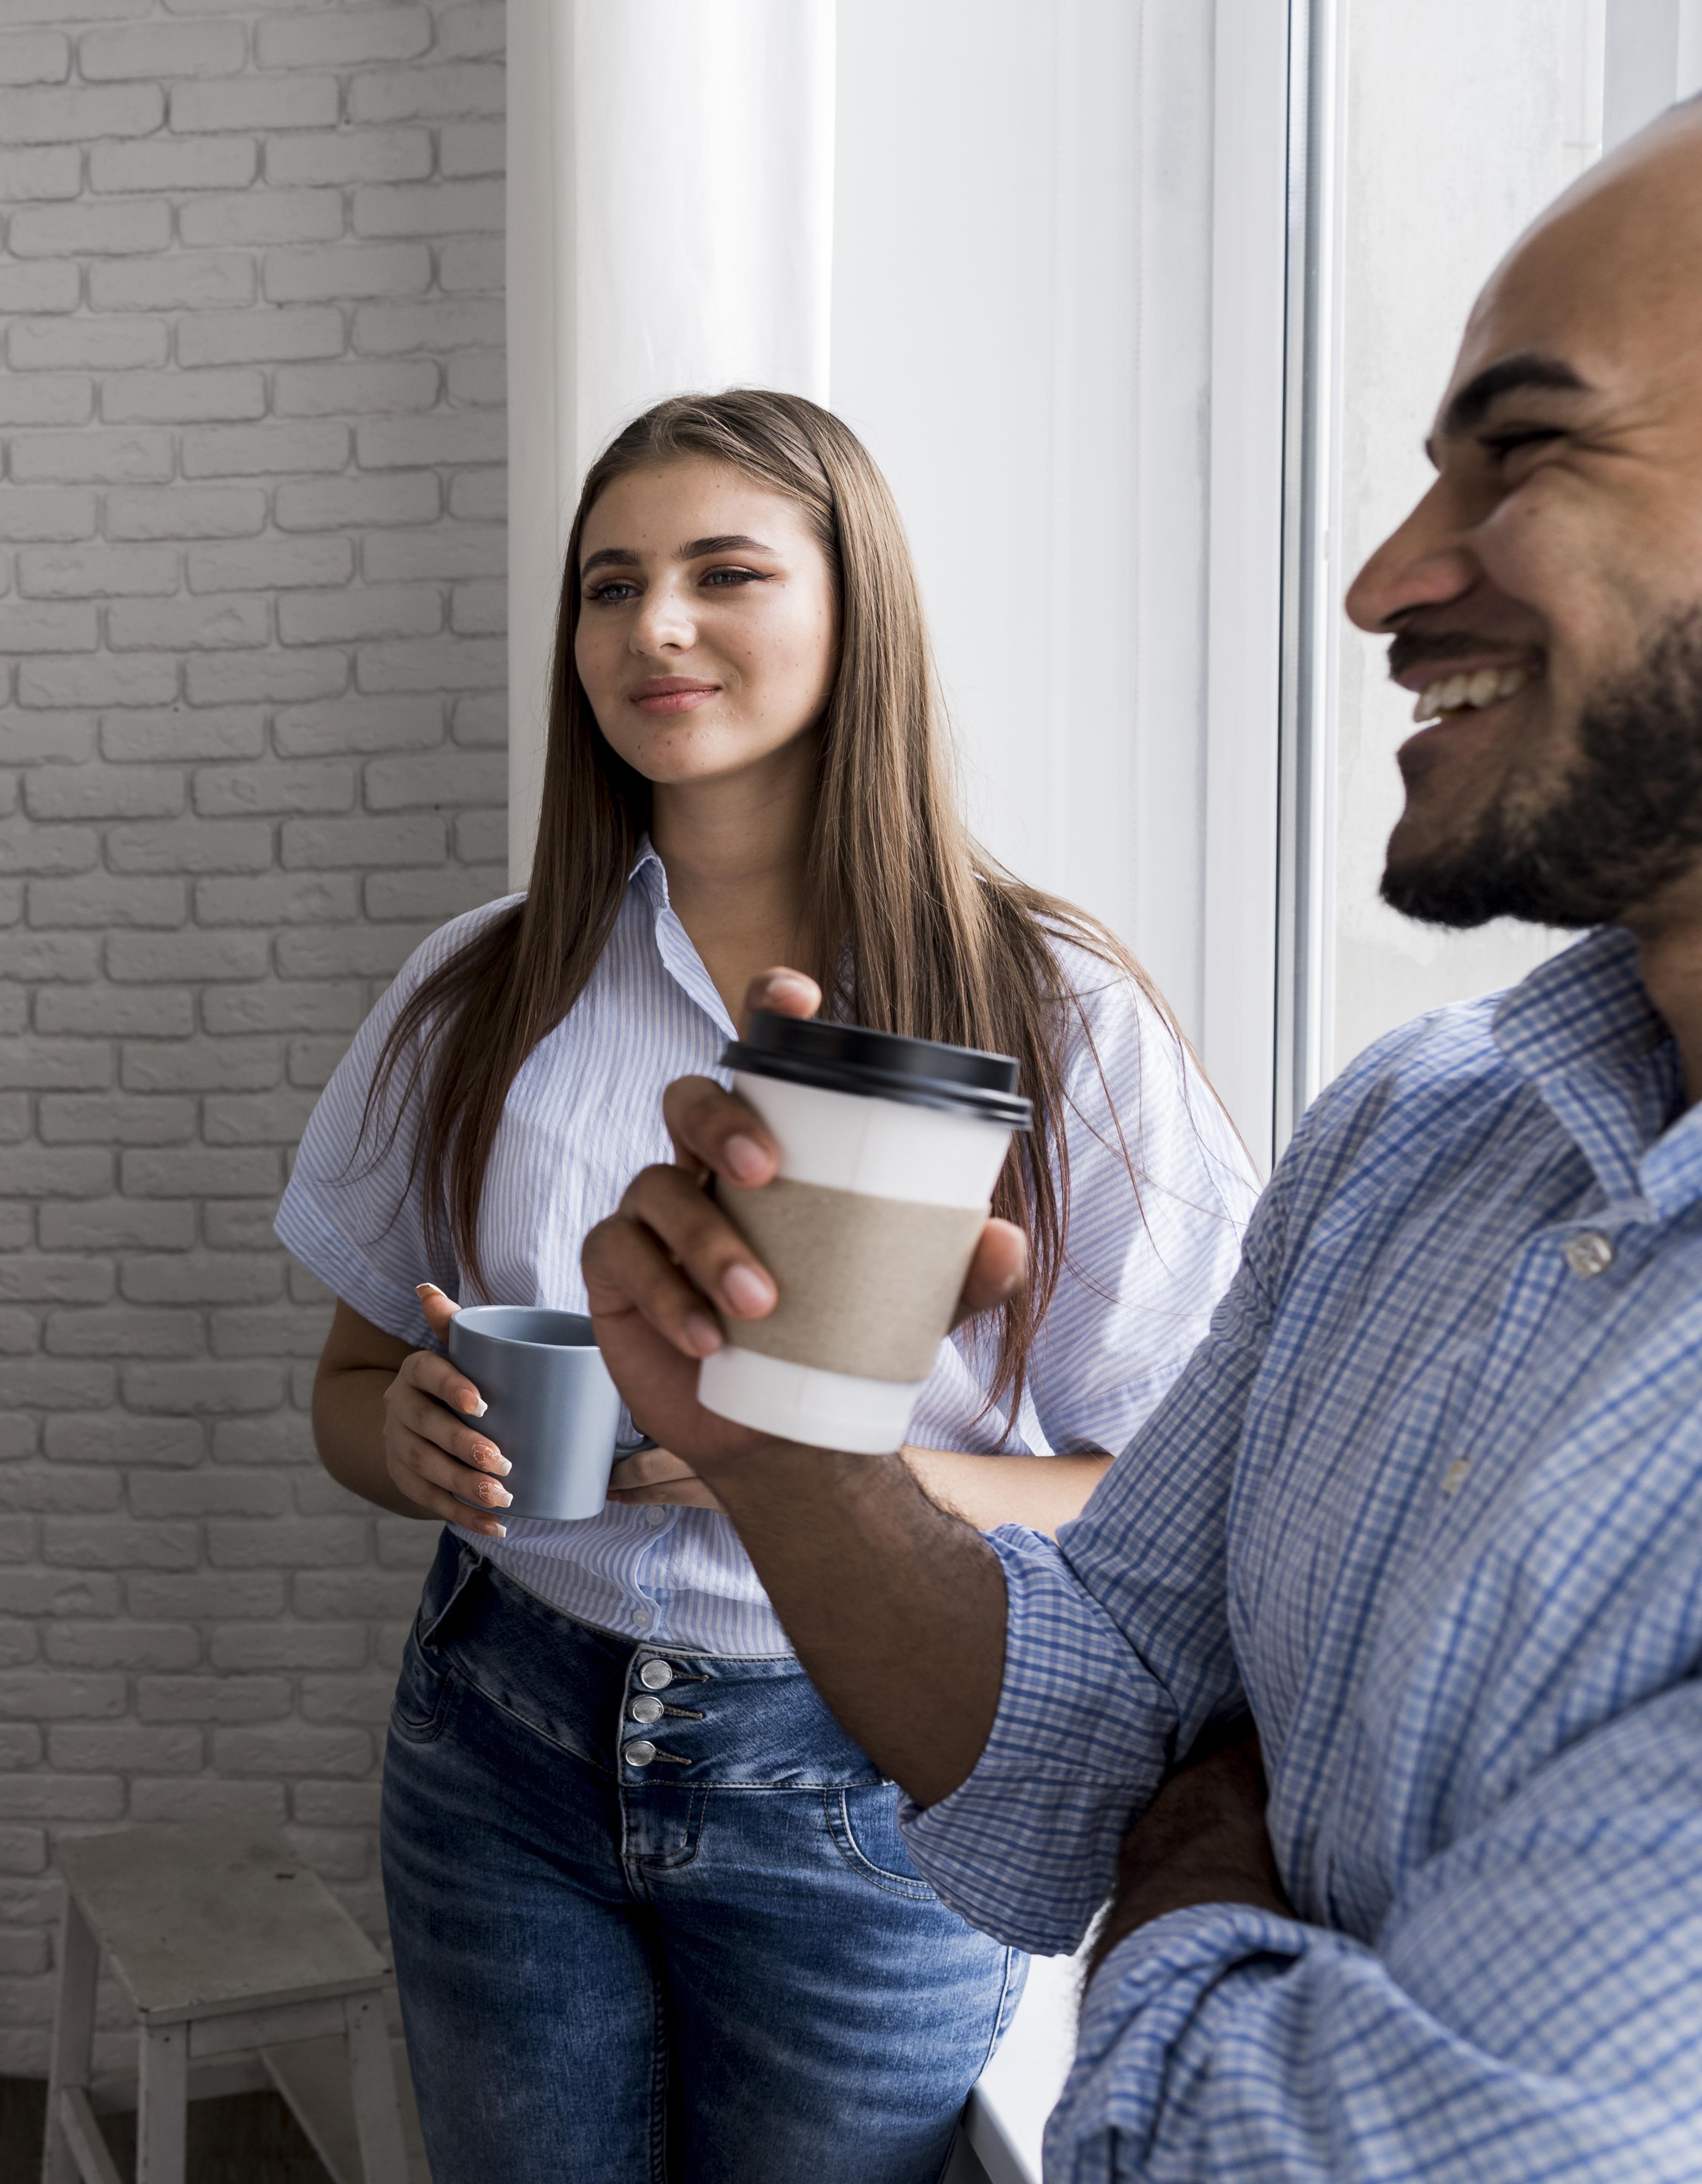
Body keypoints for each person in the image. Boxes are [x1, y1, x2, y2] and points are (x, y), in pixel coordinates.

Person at [583, 110, 1702, 2184]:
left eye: (1523, 450)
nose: (1382, 577)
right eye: (613, 584)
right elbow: (1096, 1729)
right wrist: (789, 1459)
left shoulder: (1068, 998)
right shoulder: (1414, 1135)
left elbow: (1279, 2156)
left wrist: (1186, 1889)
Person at [278, 390, 1256, 2182]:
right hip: (499, 1732)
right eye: (609, 585)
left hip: (865, 1769)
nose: (654, 626)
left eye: (725, 572)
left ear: (852, 611)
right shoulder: (479, 988)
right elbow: (347, 1391)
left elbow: (1175, 1503)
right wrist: (403, 1436)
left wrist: (804, 1477)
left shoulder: (1053, 1015)